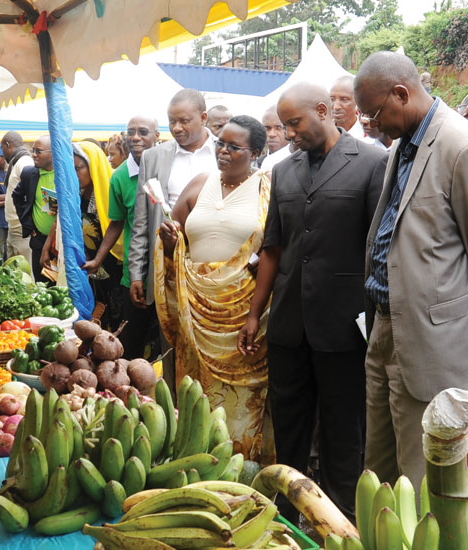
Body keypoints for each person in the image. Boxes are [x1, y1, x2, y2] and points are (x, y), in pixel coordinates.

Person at [353, 51, 468, 491]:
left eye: (372, 114)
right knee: (381, 471)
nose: (369, 126)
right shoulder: (401, 146)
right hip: (384, 327)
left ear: (401, 95)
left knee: (423, 478)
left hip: (433, 340)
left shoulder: (462, 146)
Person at [238, 82, 387, 521]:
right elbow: (273, 247)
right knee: (289, 427)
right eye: (284, 125)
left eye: (295, 122)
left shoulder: (373, 163)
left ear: (324, 111)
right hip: (288, 323)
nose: (288, 132)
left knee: (344, 431)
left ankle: (340, 522)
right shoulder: (283, 171)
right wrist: (254, 313)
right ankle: (285, 517)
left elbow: (380, 248)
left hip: (344, 324)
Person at [156, 115, 274, 463]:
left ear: (255, 152)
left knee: (241, 398)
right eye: (220, 143)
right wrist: (169, 242)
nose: (223, 151)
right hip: (197, 309)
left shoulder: (269, 188)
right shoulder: (200, 183)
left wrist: (261, 258)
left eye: (233, 147)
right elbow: (175, 238)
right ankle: (196, 462)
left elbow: (280, 243)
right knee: (197, 392)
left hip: (244, 308)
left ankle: (240, 466)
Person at [130, 88, 218, 395]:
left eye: (184, 120)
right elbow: (141, 220)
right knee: (171, 339)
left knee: (211, 340)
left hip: (213, 268)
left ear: (204, 118)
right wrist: (137, 273)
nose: (177, 128)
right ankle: (174, 408)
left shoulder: (227, 151)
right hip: (167, 264)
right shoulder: (154, 157)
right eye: (172, 122)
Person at [84, 116, 160, 359]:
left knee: (164, 342)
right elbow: (116, 223)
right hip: (135, 274)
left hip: (168, 272)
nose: (136, 137)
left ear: (156, 136)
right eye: (131, 132)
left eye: (143, 132)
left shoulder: (168, 168)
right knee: (130, 341)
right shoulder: (119, 177)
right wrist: (98, 259)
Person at [43, 142, 123, 324]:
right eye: (70, 169)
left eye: (78, 168)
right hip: (83, 262)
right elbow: (57, 217)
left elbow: (117, 226)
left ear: (92, 166)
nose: (74, 174)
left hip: (110, 262)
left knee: (112, 309)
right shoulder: (69, 190)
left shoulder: (111, 187)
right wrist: (47, 246)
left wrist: (98, 259)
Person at [13, 135, 55, 282]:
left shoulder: (65, 175)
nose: (34, 155)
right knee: (41, 285)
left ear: (53, 152)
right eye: (33, 150)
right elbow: (16, 196)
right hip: (39, 240)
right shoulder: (29, 174)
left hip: (61, 243)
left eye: (39, 151)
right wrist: (28, 223)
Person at [1, 131, 34, 265]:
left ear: (8, 145)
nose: (2, 154)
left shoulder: (24, 162)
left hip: (21, 228)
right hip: (13, 226)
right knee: (13, 270)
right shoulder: (16, 162)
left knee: (25, 270)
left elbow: (30, 194)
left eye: (2, 149)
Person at [330, 76, 371, 142]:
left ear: (358, 101)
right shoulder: (322, 134)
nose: (336, 107)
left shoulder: (368, 136)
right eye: (332, 99)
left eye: (344, 100)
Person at [259, 105, 291, 174]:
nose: (271, 134)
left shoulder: (302, 161)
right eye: (267, 128)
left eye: (279, 127)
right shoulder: (256, 164)